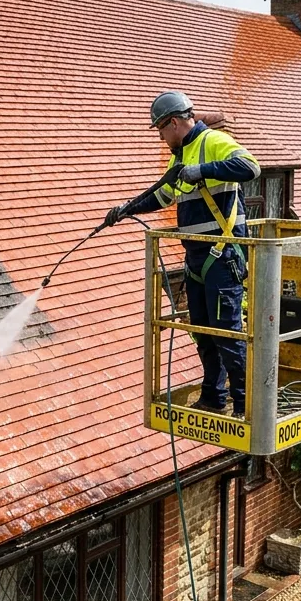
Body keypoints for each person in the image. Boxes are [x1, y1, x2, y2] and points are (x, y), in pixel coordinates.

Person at [105, 91, 260, 417]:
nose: (161, 138)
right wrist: (125, 209)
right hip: (196, 258)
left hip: (222, 254)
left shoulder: (214, 141)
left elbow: (250, 167)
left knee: (226, 331)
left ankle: (246, 403)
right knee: (202, 330)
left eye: (161, 131)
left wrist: (201, 171)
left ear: (173, 123)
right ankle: (213, 396)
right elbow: (161, 197)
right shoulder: (178, 158)